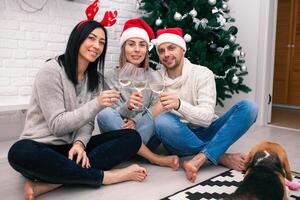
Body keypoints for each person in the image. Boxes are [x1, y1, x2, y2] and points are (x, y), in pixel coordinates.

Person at [7, 8, 147, 200]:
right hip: (42, 147)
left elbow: (87, 122)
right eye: (91, 38)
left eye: (102, 42)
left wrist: (80, 144)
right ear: (77, 39)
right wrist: (96, 103)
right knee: (18, 152)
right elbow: (57, 126)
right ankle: (105, 177)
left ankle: (54, 181)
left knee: (131, 137)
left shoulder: (95, 79)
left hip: (72, 149)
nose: (97, 46)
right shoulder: (51, 71)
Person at [150, 27, 258, 183]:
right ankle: (219, 155)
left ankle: (199, 159)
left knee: (249, 107)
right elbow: (153, 118)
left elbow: (207, 119)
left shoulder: (202, 73)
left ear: (183, 50)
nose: (166, 54)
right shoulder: (155, 79)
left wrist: (179, 104)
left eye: (171, 48)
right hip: (178, 136)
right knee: (162, 121)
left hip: (207, 129)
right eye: (161, 50)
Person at [96, 18, 179, 170]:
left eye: (142, 45)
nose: (137, 50)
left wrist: (135, 120)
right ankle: (152, 158)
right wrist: (127, 107)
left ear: (147, 49)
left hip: (144, 133)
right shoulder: (109, 76)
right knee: (104, 114)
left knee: (160, 112)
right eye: (131, 44)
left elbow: (155, 107)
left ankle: (130, 150)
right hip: (118, 130)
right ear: (124, 48)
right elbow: (111, 112)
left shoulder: (153, 76)